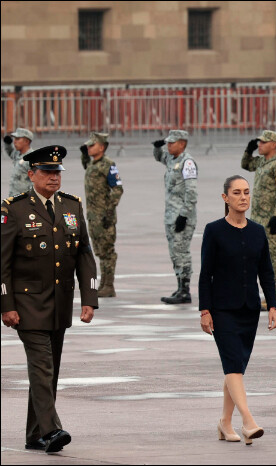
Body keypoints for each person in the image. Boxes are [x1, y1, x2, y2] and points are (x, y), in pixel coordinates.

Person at [1, 145, 98, 453]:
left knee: (50, 370)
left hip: (59, 303)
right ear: (32, 175)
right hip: (27, 306)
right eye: (47, 172)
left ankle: (34, 434)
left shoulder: (72, 207)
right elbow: (2, 264)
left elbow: (84, 254)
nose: (54, 178)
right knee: (42, 367)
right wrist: (6, 305)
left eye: (57, 172)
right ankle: (52, 430)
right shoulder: (13, 209)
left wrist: (89, 298)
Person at [199, 175, 276, 445]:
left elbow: (266, 271)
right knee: (233, 364)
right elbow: (205, 273)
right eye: (236, 193)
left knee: (236, 368)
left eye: (246, 192)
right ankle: (248, 421)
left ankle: (224, 422)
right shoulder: (214, 230)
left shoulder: (258, 231)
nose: (243, 197)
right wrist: (204, 310)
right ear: (225, 198)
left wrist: (273, 305)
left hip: (249, 309)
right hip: (222, 309)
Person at [241, 130, 276, 311]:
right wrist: (248, 149)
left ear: (274, 145)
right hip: (257, 219)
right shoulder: (262, 161)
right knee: (257, 257)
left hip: (271, 220)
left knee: (272, 258)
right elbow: (246, 164)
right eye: (259, 142)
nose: (259, 145)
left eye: (263, 142)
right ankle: (261, 294)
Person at [152, 130, 198, 304]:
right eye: (168, 143)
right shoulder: (172, 159)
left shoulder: (187, 163)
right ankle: (180, 287)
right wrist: (157, 148)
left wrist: (184, 215)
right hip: (171, 216)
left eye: (172, 143)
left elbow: (192, 192)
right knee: (175, 253)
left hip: (182, 217)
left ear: (182, 144)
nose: (168, 146)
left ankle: (185, 290)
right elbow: (160, 157)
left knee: (182, 252)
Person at [80, 132, 123, 298]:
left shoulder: (108, 165)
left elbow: (118, 189)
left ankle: (109, 285)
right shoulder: (93, 165)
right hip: (93, 216)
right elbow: (88, 169)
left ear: (102, 147)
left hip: (104, 216)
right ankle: (103, 284)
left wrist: (109, 211)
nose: (89, 148)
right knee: (99, 251)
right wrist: (84, 156)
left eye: (92, 145)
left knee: (107, 252)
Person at [3, 127, 35, 196]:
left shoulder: (32, 158)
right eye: (14, 139)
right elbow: (11, 152)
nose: (14, 141)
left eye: (17, 139)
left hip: (24, 199)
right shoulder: (17, 153)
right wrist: (7, 144)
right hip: (14, 196)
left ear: (26, 141)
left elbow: (36, 181)